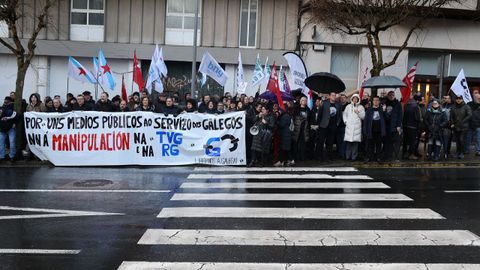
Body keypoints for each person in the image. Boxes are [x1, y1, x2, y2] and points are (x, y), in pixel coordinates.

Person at [316, 92, 342, 161]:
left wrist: (337, 124)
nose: (334, 96)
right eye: (332, 95)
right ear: (329, 96)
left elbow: (340, 116)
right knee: (321, 142)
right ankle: (319, 156)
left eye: (335, 95)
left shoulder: (338, 104)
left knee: (330, 142)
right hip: (323, 125)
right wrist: (318, 123)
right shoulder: (324, 103)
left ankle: (328, 156)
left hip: (333, 126)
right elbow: (320, 114)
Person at [343, 94, 365, 161]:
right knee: (349, 143)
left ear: (358, 99)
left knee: (355, 143)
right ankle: (347, 156)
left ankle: (354, 157)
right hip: (349, 127)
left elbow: (363, 117)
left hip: (357, 127)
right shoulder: (348, 106)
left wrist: (358, 112)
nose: (355, 100)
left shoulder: (361, 107)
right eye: (354, 98)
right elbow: (344, 114)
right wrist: (346, 121)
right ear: (352, 99)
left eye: (356, 99)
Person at [363, 96, 386, 162]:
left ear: (379, 101)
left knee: (379, 145)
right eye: (374, 100)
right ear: (372, 101)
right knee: (370, 145)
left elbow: (386, 119)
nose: (376, 101)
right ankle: (369, 157)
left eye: (377, 100)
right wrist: (365, 130)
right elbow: (365, 121)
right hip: (371, 130)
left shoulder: (381, 109)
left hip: (379, 131)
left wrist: (384, 111)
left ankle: (378, 158)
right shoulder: (369, 110)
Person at [383, 91, 403, 161]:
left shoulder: (397, 104)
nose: (391, 96)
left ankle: (392, 155)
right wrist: (384, 110)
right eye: (390, 95)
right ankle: (386, 155)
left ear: (394, 96)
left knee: (393, 141)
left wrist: (398, 125)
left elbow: (400, 115)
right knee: (386, 141)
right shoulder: (385, 103)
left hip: (394, 126)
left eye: (393, 95)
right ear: (388, 96)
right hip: (386, 125)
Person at [402, 95, 423, 160]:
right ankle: (411, 154)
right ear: (417, 101)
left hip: (405, 126)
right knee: (412, 142)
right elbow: (418, 118)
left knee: (405, 141)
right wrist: (421, 120)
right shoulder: (416, 107)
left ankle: (404, 154)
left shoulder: (406, 105)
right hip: (413, 127)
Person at [292, 97, 310, 161]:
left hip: (304, 130)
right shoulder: (296, 109)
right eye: (303, 100)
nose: (304, 101)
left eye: (305, 100)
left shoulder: (308, 110)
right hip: (297, 129)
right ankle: (295, 157)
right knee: (295, 144)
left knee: (303, 144)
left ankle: (302, 157)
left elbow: (309, 120)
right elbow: (294, 118)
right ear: (300, 101)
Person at [0, 96, 17, 162]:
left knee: (12, 142)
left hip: (10, 128)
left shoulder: (13, 109)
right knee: (1, 143)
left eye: (7, 101)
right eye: (5, 100)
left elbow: (17, 116)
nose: (5, 102)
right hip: (2, 129)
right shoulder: (1, 108)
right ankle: (2, 157)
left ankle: (12, 156)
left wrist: (15, 123)